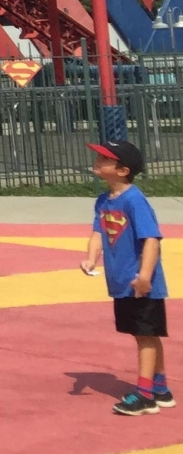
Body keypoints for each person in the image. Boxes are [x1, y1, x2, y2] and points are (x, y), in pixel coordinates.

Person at [80, 138, 171, 416]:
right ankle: (160, 388)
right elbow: (98, 233)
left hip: (140, 284)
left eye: (105, 159)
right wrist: (91, 258)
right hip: (121, 281)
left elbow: (152, 240)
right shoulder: (104, 201)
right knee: (144, 334)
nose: (98, 161)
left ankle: (145, 395)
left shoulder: (135, 200)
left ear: (123, 170)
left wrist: (144, 276)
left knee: (145, 335)